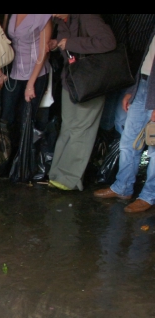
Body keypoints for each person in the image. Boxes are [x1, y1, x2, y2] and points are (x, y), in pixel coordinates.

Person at [48, 14, 117, 191]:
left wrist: (69, 43)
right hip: (72, 80)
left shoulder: (88, 17)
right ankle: (57, 174)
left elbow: (108, 42)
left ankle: (69, 179)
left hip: (90, 82)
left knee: (82, 130)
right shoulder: (62, 20)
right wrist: (57, 44)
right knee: (69, 127)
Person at [94, 28, 155, 213]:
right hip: (144, 85)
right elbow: (148, 60)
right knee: (128, 142)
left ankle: (148, 196)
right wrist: (134, 89)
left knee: (153, 149)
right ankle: (123, 187)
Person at [0, 14, 53, 145]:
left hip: (36, 74)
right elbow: (2, 41)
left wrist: (30, 84)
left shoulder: (43, 16)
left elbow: (43, 51)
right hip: (14, 71)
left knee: (26, 120)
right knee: (6, 118)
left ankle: (23, 160)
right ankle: (5, 157)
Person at [100, 14, 155, 134]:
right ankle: (106, 139)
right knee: (109, 103)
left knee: (123, 109)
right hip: (113, 58)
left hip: (137, 61)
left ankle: (115, 139)